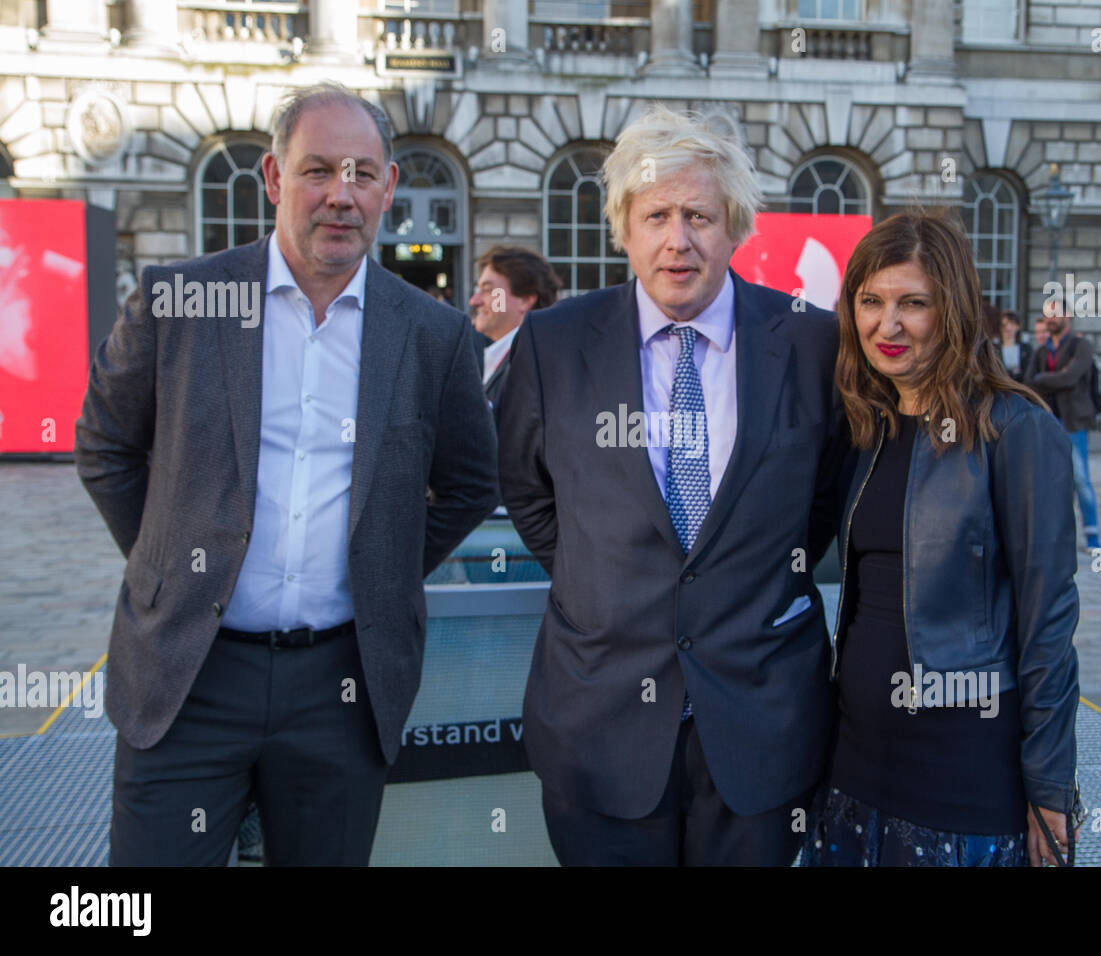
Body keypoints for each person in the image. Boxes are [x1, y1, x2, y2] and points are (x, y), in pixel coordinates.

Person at [75, 82, 499, 865]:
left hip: (342, 689)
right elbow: (104, 447)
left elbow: (473, 484)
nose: (341, 195)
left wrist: (379, 566)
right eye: (317, 171)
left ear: (389, 187)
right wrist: (173, 565)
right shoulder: (183, 301)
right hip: (188, 680)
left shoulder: (433, 335)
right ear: (273, 178)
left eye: (363, 173)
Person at [497, 104, 845, 866]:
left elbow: (822, 500)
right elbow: (526, 489)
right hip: (599, 722)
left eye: (699, 215)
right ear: (623, 225)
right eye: (655, 214)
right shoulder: (553, 345)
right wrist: (605, 576)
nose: (677, 239)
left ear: (737, 226)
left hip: (760, 726)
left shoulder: (814, 342)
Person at [795, 209, 1081, 868]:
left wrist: (1049, 786)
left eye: (912, 304)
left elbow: (1050, 619)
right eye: (870, 301)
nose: (886, 325)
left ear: (950, 310)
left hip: (961, 777)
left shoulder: (1016, 430)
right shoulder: (866, 428)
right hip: (853, 770)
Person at [1027, 300, 1101, 551]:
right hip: (1048, 422)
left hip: (1073, 422)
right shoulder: (1041, 352)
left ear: (1067, 316)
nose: (1050, 319)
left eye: (1055, 314)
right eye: (1047, 314)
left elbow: (1071, 377)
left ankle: (1092, 535)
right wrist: (1049, 379)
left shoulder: (1081, 346)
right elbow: (1029, 382)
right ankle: (1060, 536)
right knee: (1053, 482)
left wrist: (1044, 379)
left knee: (1080, 479)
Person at [467, 245, 561, 424]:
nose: (475, 301)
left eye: (488, 290)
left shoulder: (535, 367)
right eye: (478, 290)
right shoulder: (511, 357)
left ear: (525, 300)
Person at [998, 309, 1032, 383]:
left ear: (1018, 326)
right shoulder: (994, 349)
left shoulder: (1026, 348)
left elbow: (1029, 371)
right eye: (1004, 325)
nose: (1008, 328)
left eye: (1012, 324)